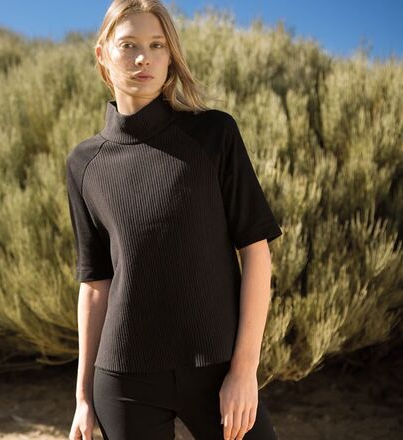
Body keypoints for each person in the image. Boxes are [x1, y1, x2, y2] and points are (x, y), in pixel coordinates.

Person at [65, 1, 283, 439]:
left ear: (170, 56)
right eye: (128, 45)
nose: (142, 58)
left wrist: (244, 370)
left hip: (218, 368)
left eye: (156, 45)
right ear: (103, 55)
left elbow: (256, 253)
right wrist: (83, 398)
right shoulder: (84, 163)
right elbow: (95, 285)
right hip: (124, 381)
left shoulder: (214, 134)